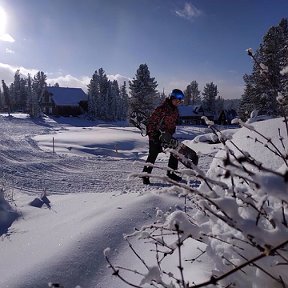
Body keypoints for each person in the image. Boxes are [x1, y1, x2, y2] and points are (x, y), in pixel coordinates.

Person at [142, 89, 184, 185]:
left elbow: (173, 124)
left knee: (175, 150)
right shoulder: (161, 109)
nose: (178, 103)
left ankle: (171, 173)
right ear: (172, 98)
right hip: (155, 135)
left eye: (180, 102)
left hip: (166, 136)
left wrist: (170, 133)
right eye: (177, 101)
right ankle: (145, 176)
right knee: (153, 155)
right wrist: (154, 136)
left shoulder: (175, 110)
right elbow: (151, 123)